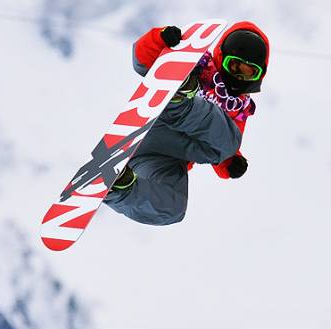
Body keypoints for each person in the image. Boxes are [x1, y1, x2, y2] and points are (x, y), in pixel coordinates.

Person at [104, 21, 270, 225]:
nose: (237, 75)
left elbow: (222, 143)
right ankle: (178, 98)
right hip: (157, 125)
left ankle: (118, 188)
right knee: (230, 141)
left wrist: (229, 163)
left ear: (259, 75)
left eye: (248, 72)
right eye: (234, 65)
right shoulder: (196, 63)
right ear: (222, 57)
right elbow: (142, 60)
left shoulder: (239, 107)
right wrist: (160, 39)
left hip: (163, 158)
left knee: (173, 209)